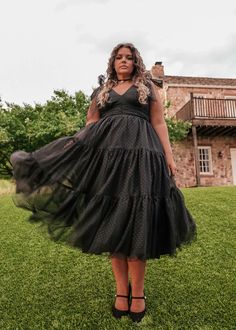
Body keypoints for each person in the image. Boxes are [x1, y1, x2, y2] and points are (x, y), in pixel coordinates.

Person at [10, 42, 196, 323]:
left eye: (129, 58)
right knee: (114, 223)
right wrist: (76, 151)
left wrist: (169, 156)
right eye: (119, 57)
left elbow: (158, 123)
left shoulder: (147, 88)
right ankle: (122, 292)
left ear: (136, 62)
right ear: (112, 62)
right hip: (110, 165)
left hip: (143, 159)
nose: (124, 61)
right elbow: (91, 124)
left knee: (138, 223)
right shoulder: (102, 91)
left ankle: (139, 293)